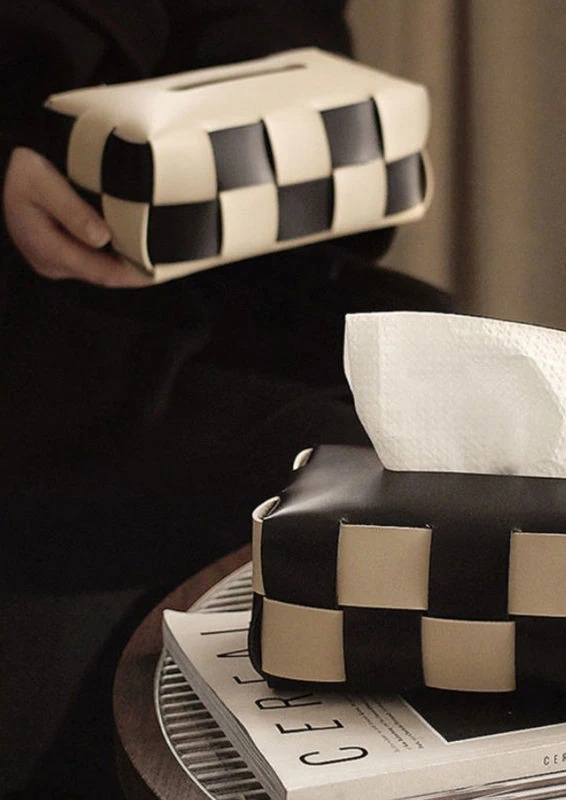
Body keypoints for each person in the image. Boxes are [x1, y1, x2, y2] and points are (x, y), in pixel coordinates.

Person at [0, 2, 451, 797]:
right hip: (40, 339)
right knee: (336, 474)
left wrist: (350, 140)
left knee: (465, 391)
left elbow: (293, 38)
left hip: (241, 275)